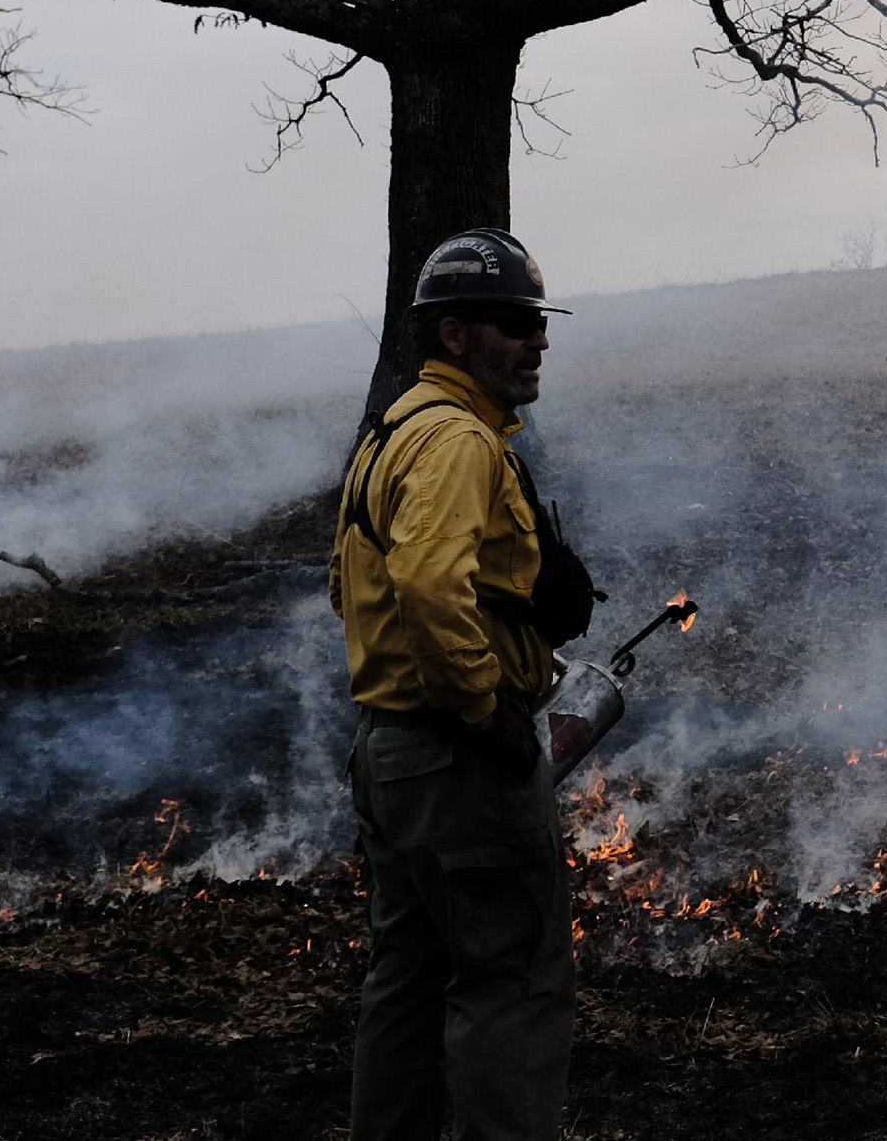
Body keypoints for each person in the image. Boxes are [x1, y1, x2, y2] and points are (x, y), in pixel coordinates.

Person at [331, 227, 601, 1141]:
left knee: (407, 978)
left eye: (539, 322)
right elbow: (424, 586)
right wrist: (486, 709)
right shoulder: (457, 443)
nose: (538, 341)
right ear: (455, 335)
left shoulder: (395, 430)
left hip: (394, 755)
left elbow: (349, 587)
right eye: (515, 323)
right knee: (512, 983)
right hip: (456, 760)